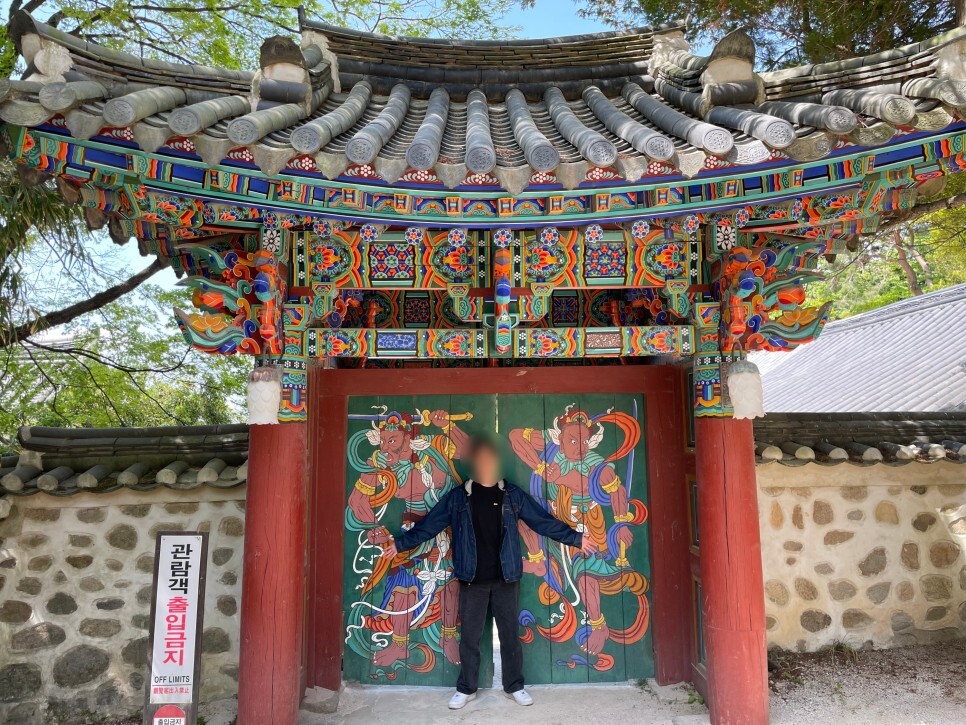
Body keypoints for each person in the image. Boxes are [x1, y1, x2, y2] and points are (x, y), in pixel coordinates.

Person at [376, 436, 595, 709]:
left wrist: (576, 539)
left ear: (496, 462)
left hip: (506, 577)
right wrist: (399, 544)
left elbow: (542, 521)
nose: (485, 464)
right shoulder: (458, 497)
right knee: (470, 637)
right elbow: (429, 526)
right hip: (472, 578)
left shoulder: (512, 495)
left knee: (509, 635)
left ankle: (514, 686)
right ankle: (466, 688)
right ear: (474, 463)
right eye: (480, 459)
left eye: (489, 459)